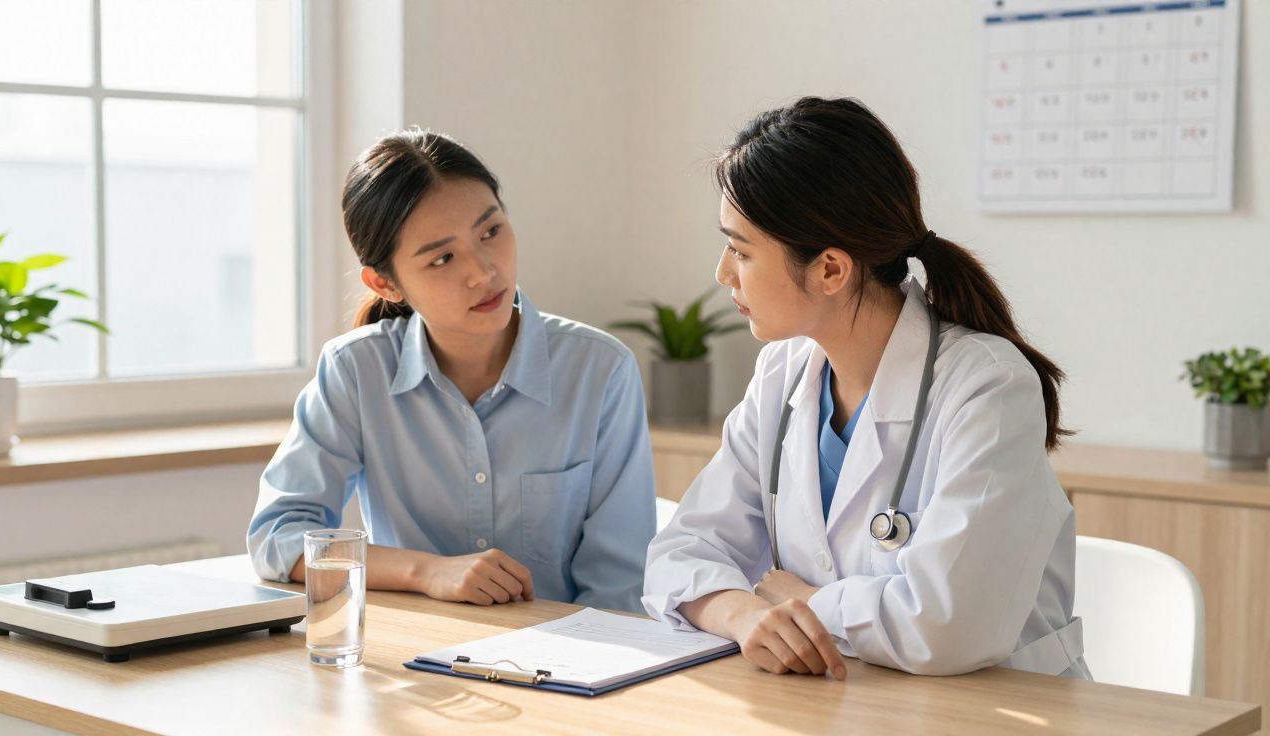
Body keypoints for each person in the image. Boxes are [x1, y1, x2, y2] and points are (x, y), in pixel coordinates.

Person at [643, 97, 1090, 679]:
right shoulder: (782, 374)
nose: (723, 273)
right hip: (850, 703)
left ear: (831, 269)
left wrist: (799, 601)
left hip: (992, 714)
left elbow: (943, 627)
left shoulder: (987, 387)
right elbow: (679, 554)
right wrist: (742, 614)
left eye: (741, 250)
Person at [248, 129, 655, 612]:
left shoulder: (600, 371)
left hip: (566, 665)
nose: (483, 272)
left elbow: (619, 587)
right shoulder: (355, 371)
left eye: (491, 232)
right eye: (442, 258)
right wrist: (426, 571)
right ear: (385, 283)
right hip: (411, 664)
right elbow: (279, 538)